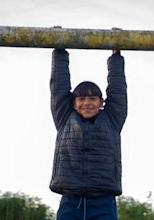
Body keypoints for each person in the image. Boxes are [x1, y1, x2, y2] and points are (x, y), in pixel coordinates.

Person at [49, 29, 127, 220]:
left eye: (93, 98)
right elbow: (59, 85)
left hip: (103, 201)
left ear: (102, 102)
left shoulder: (112, 119)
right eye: (81, 99)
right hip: (70, 201)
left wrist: (116, 54)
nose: (87, 103)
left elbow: (117, 88)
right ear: (73, 103)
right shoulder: (64, 118)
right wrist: (59, 48)